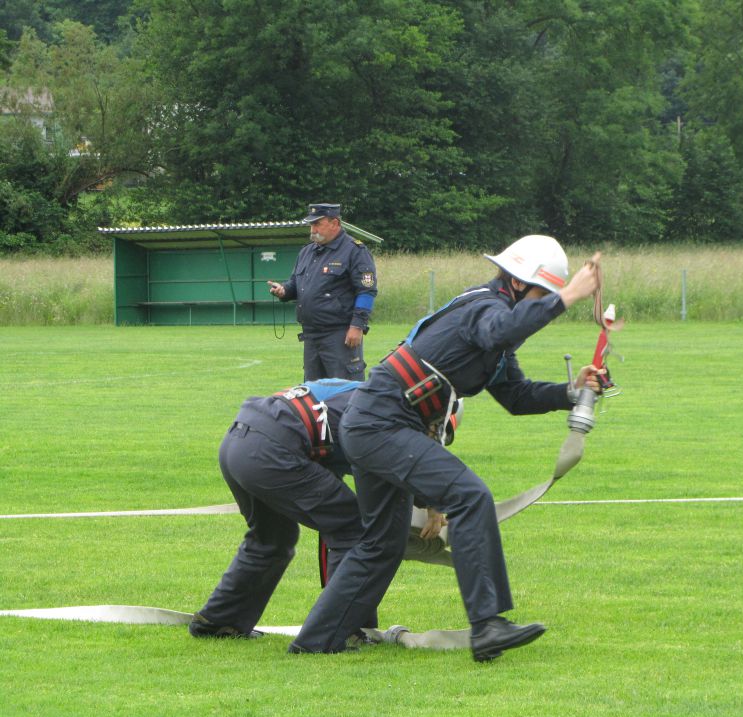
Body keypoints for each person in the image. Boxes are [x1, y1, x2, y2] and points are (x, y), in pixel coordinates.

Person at [289, 234, 603, 661]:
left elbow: (516, 396)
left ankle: (315, 640)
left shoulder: (491, 335)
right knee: (470, 495)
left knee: (381, 544)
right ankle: (488, 625)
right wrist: (567, 297)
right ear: (518, 283)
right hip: (382, 423)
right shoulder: (485, 311)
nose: (541, 307)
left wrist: (572, 391)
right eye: (541, 296)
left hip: (374, 424)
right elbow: (504, 327)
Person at [188, 378, 449, 643]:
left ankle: (220, 621)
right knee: (352, 528)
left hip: (239, 440)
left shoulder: (362, 391)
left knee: (272, 538)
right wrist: (433, 501)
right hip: (274, 450)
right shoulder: (390, 415)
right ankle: (345, 630)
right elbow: (391, 475)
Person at [267, 203, 377, 381]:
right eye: (311, 225)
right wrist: (284, 290)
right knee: (313, 395)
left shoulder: (354, 251)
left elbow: (367, 291)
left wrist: (357, 326)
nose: (312, 229)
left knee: (344, 393)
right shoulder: (306, 252)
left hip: (340, 336)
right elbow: (296, 283)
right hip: (311, 336)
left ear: (334, 223)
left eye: (317, 224)